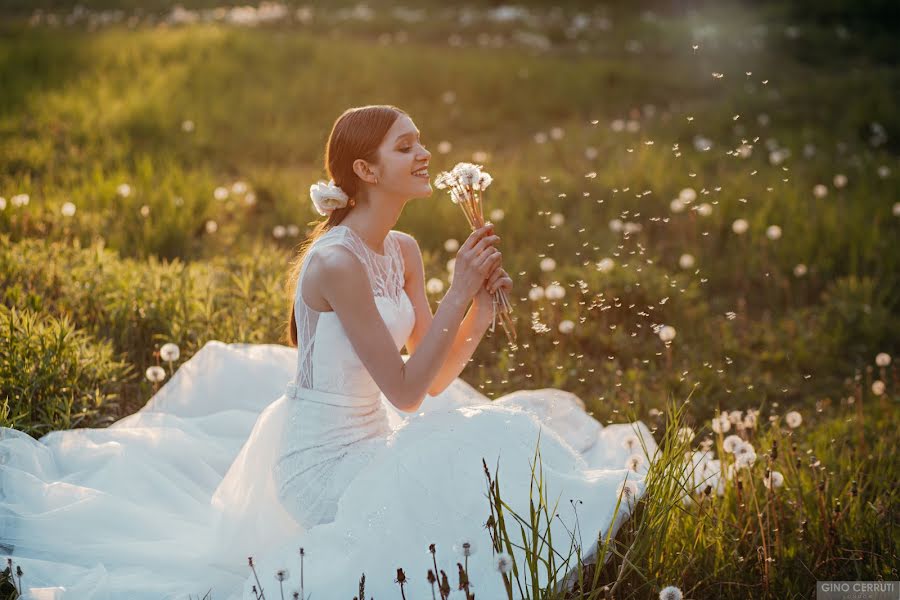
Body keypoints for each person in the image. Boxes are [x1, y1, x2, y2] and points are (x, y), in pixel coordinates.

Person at [0, 105, 655, 600]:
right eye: (407, 147)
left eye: (422, 142)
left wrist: (478, 308)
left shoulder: (402, 251)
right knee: (474, 445)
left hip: (374, 437)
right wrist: (458, 292)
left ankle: (573, 541)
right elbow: (404, 389)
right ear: (367, 171)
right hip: (318, 462)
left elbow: (431, 379)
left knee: (495, 431)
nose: (425, 154)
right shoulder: (336, 261)